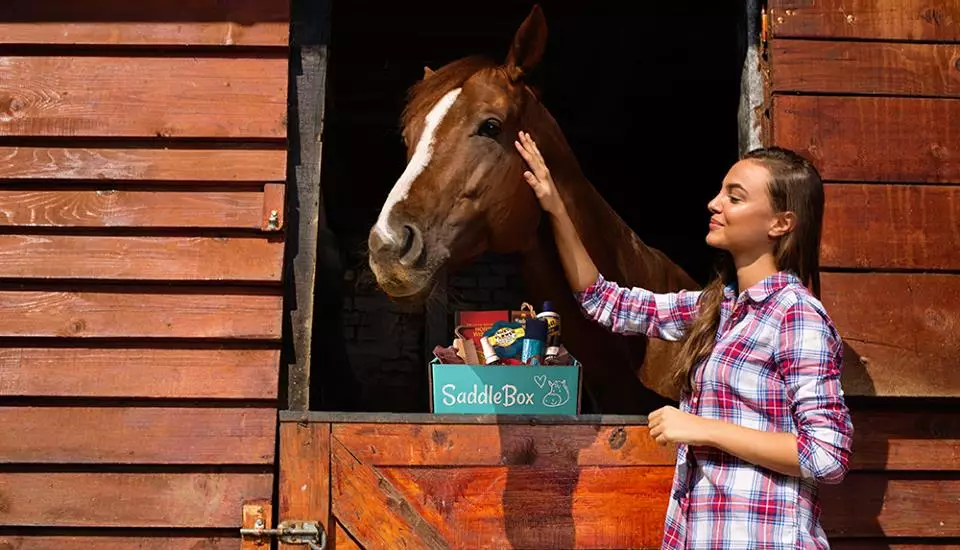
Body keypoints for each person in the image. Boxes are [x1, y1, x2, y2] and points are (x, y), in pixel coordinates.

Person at [515, 131, 853, 549]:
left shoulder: (796, 315)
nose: (715, 203)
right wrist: (555, 206)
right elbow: (604, 301)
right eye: (720, 193)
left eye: (735, 196)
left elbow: (826, 455)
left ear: (780, 223)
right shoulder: (716, 308)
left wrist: (700, 428)